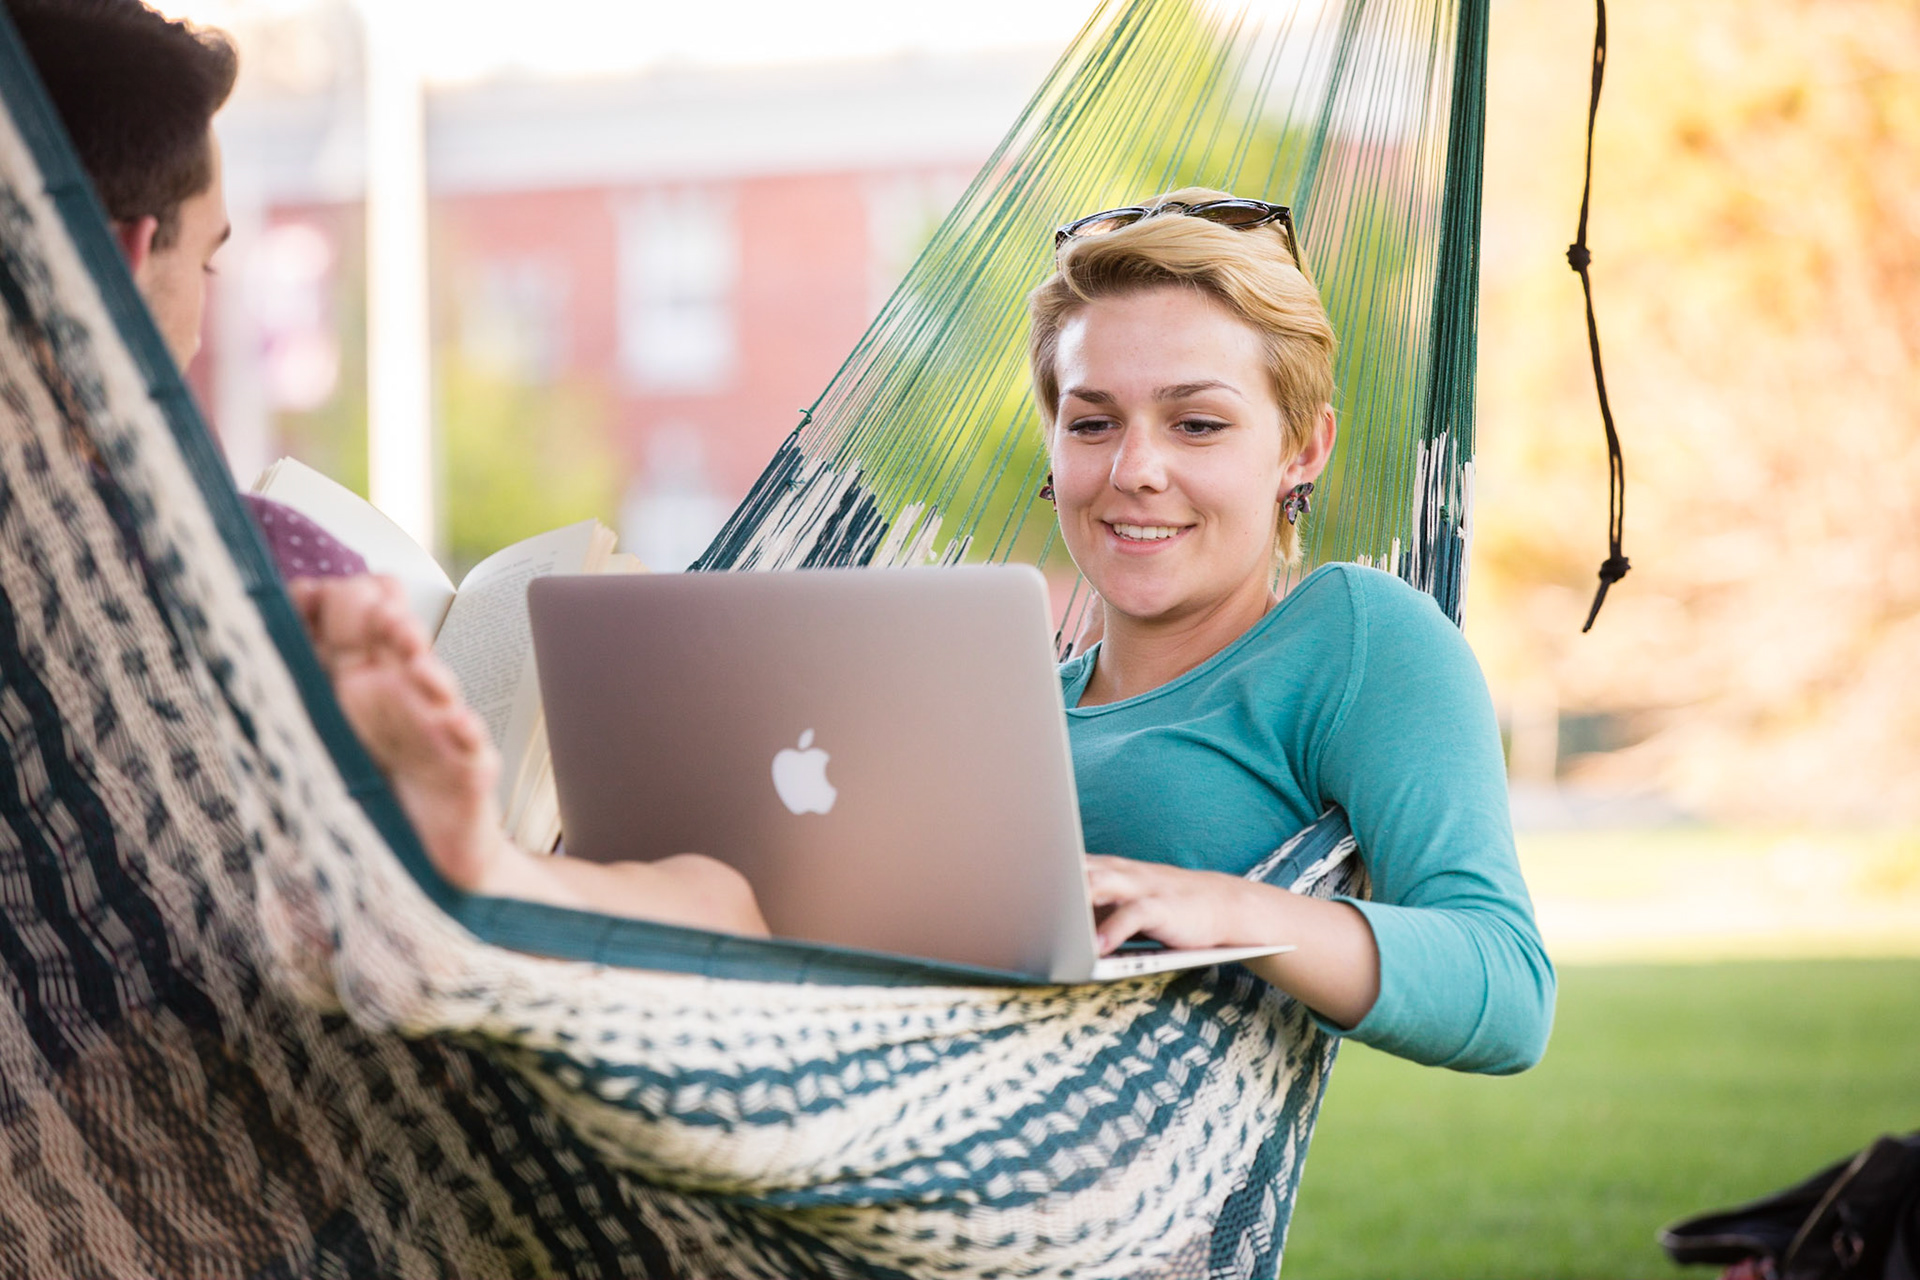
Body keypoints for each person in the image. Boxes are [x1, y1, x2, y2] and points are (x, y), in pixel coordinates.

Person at [11, 0, 768, 938]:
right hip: (335, 993)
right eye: (206, 266)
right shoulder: (245, 568)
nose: (203, 324)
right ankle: (483, 858)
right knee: (716, 892)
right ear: (121, 263)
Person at [1036, 190, 1552, 1067]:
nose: (1133, 470)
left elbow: (1504, 990)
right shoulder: (998, 700)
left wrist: (1229, 911)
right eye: (1092, 423)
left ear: (1302, 451)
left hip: (1102, 1173)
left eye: (1196, 424)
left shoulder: (1349, 639)